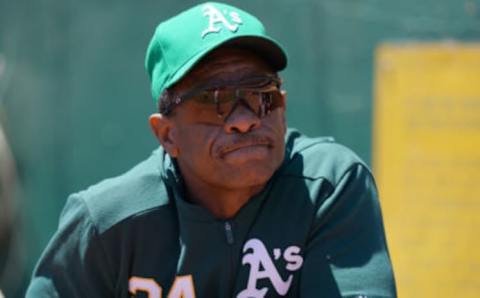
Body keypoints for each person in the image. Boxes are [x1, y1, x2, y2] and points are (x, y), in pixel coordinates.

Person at [26, 2, 396, 297]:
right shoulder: (107, 223)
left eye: (258, 95)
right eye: (213, 100)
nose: (244, 119)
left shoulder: (326, 187)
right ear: (167, 134)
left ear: (281, 107)